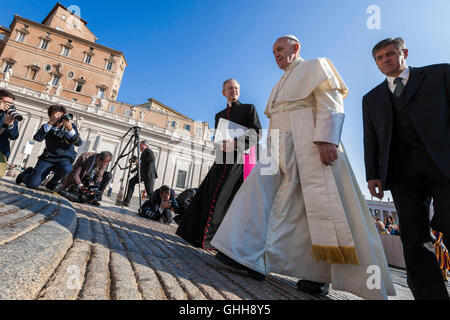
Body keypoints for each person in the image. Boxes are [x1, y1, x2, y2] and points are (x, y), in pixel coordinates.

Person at [210, 35, 396, 300]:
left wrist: (327, 140)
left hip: (309, 141)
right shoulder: (278, 84)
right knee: (257, 194)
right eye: (273, 51)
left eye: (279, 49)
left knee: (311, 211)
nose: (275, 55)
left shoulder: (316, 67)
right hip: (276, 144)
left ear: (295, 48)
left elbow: (332, 103)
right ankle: (246, 256)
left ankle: (318, 276)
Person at [362, 37, 450, 300]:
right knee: (413, 238)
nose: (385, 60)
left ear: (404, 53)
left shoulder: (440, 74)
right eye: (379, 57)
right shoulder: (371, 99)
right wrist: (372, 174)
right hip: (402, 174)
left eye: (390, 54)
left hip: (443, 165)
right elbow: (371, 140)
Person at [176, 78, 262, 249]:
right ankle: (197, 236)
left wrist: (236, 142)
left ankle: (215, 241)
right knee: (206, 196)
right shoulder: (219, 115)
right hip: (221, 160)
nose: (234, 91)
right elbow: (219, 138)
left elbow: (257, 133)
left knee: (224, 198)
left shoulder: (249, 109)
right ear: (224, 92)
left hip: (238, 162)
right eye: (230, 88)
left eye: (236, 88)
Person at [16, 105, 82, 190]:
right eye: (56, 116)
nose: (59, 118)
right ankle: (25, 175)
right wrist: (50, 123)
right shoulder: (47, 126)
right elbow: (38, 138)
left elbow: (79, 143)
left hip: (64, 159)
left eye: (61, 116)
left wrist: (70, 130)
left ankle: (52, 183)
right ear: (50, 116)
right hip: (48, 158)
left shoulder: (71, 127)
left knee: (67, 168)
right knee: (32, 184)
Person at [119, 140, 158, 207]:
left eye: (140, 145)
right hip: (143, 174)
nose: (139, 147)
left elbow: (149, 162)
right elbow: (141, 164)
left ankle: (155, 207)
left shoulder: (148, 151)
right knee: (131, 182)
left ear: (144, 145)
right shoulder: (144, 152)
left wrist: (138, 161)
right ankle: (126, 202)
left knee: (150, 192)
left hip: (148, 174)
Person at [0, 90, 19, 175]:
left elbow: (14, 136)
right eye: (6, 102)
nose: (8, 105)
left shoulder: (10, 115)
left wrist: (10, 124)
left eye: (11, 104)